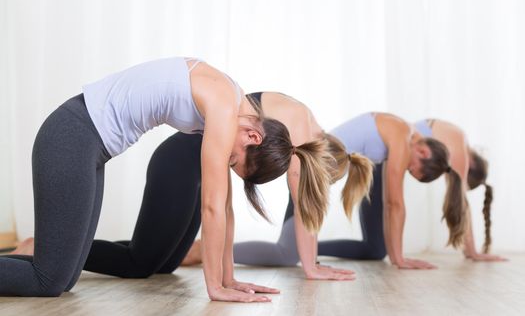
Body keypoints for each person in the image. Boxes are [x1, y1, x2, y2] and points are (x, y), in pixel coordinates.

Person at [1, 58, 332, 302]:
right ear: (253, 136)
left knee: (65, 275)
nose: (226, 163)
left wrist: (230, 278)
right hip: (72, 135)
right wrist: (214, 288)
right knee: (48, 280)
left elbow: (226, 208)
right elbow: (212, 208)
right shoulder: (223, 104)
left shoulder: (235, 104)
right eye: (234, 161)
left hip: (90, 148)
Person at [14, 92, 371, 281]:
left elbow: (287, 204)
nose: (313, 185)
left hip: (197, 173)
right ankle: (42, 247)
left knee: (163, 263)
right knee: (140, 263)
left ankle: (60, 247)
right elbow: (303, 203)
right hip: (179, 164)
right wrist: (311, 268)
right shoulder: (298, 128)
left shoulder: (305, 123)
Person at [221, 112, 461, 270]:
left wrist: (393, 255)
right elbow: (394, 203)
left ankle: (314, 250)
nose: (406, 168)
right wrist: (399, 259)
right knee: (286, 254)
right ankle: (208, 250)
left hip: (313, 174)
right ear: (423, 152)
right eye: (412, 168)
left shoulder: (399, 132)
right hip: (306, 173)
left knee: (376, 250)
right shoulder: (402, 134)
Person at [414, 118, 506, 261]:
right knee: (375, 249)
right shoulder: (458, 144)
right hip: (384, 154)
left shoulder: (455, 137)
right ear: (471, 165)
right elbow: (461, 203)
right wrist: (473, 252)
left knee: (376, 249)